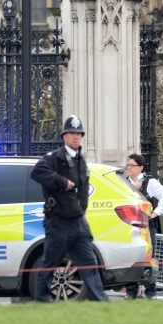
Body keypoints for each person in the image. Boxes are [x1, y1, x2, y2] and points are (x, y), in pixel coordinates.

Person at [30, 115, 109, 302]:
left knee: (89, 263)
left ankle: (102, 302)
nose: (76, 137)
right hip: (59, 221)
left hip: (78, 222)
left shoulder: (81, 159)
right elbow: (37, 172)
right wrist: (61, 181)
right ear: (64, 136)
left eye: (78, 134)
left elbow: (83, 191)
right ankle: (41, 301)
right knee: (50, 263)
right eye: (72, 133)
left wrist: (83, 212)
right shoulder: (53, 159)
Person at [124, 153, 163, 299]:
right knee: (130, 257)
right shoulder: (125, 182)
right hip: (130, 226)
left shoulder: (150, 182)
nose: (129, 168)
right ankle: (131, 291)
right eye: (128, 165)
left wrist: (155, 213)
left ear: (141, 167)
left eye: (132, 165)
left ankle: (150, 292)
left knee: (146, 258)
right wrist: (132, 188)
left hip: (146, 227)